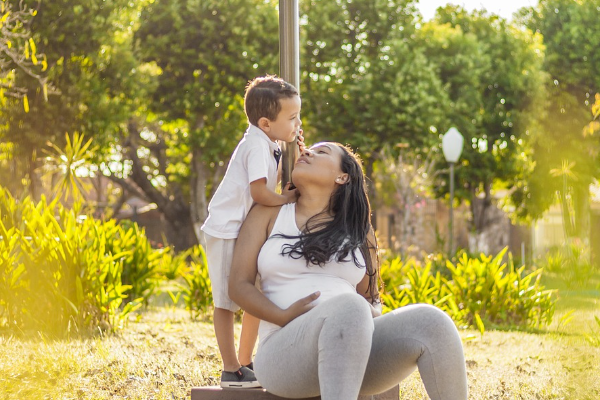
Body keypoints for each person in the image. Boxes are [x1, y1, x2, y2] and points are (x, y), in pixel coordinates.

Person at [229, 142, 469, 400]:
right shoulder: (270, 212)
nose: (307, 152)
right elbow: (239, 285)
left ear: (342, 176)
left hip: (355, 346)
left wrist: (368, 312)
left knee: (433, 322)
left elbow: (370, 298)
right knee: (349, 307)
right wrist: (282, 315)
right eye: (307, 149)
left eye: (321, 152)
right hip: (283, 352)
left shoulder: (358, 228)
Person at [201, 75, 302, 388]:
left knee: (253, 294)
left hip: (242, 231)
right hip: (226, 230)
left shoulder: (267, 142)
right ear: (265, 122)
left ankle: (246, 362)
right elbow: (260, 193)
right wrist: (286, 199)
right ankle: (231, 368)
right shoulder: (256, 146)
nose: (298, 123)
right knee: (226, 300)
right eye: (292, 118)